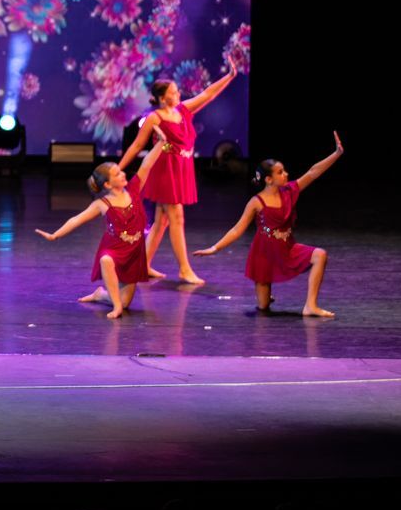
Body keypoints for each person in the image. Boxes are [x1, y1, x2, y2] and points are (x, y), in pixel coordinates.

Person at [114, 51, 243, 285]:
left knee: (162, 221)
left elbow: (208, 94)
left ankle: (141, 264)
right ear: (162, 98)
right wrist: (118, 169)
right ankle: (184, 269)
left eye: (177, 91)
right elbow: (136, 146)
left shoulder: (182, 110)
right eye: (173, 92)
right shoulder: (155, 118)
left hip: (180, 169)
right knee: (176, 217)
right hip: (165, 171)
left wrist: (230, 76)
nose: (178, 94)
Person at [197, 132, 345, 317]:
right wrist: (215, 248)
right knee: (264, 307)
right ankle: (265, 293)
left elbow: (313, 172)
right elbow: (237, 229)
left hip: (287, 248)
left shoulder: (289, 191)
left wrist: (336, 154)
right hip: (264, 255)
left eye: (284, 171)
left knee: (320, 255)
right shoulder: (257, 202)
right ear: (268, 179)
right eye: (280, 172)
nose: (286, 174)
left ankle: (310, 305)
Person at [34, 130, 167, 319]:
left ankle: (101, 295)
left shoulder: (134, 189)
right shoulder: (102, 204)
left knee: (125, 301)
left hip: (133, 253)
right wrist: (55, 235)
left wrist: (161, 143)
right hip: (113, 250)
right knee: (106, 260)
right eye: (117, 174)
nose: (122, 174)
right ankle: (116, 308)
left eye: (121, 171)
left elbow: (146, 164)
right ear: (107, 185)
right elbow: (76, 219)